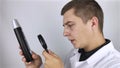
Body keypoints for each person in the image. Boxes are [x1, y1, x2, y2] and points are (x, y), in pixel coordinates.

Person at [19, 0, 120, 68]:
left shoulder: (115, 64)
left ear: (93, 23)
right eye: (64, 27)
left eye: (70, 25)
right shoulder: (73, 53)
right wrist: (39, 66)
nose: (64, 33)